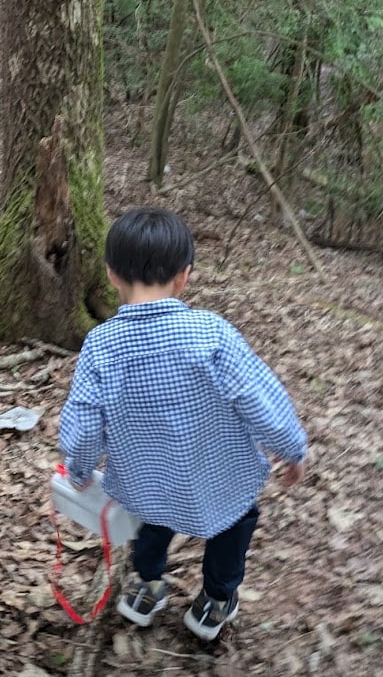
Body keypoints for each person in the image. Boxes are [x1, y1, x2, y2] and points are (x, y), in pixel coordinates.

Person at [59, 206, 307, 641]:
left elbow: (83, 424)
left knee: (150, 525)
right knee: (233, 527)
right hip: (223, 477)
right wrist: (292, 449)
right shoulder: (213, 334)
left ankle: (147, 589)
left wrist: (78, 472)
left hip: (146, 482)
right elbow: (259, 398)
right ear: (184, 275)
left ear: (112, 275)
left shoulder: (100, 347)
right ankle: (215, 600)